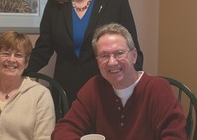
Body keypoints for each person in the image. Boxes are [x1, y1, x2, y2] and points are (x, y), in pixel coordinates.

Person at [23, 0, 144, 106]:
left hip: (108, 91)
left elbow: (133, 51)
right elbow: (42, 51)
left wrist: (132, 88)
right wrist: (10, 72)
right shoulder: (54, 6)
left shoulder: (117, 2)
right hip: (65, 95)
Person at [51, 23, 187, 140]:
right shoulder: (94, 87)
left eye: (119, 53)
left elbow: (175, 136)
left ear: (134, 56)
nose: (112, 62)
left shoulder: (157, 89)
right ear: (97, 61)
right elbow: (64, 129)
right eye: (104, 55)